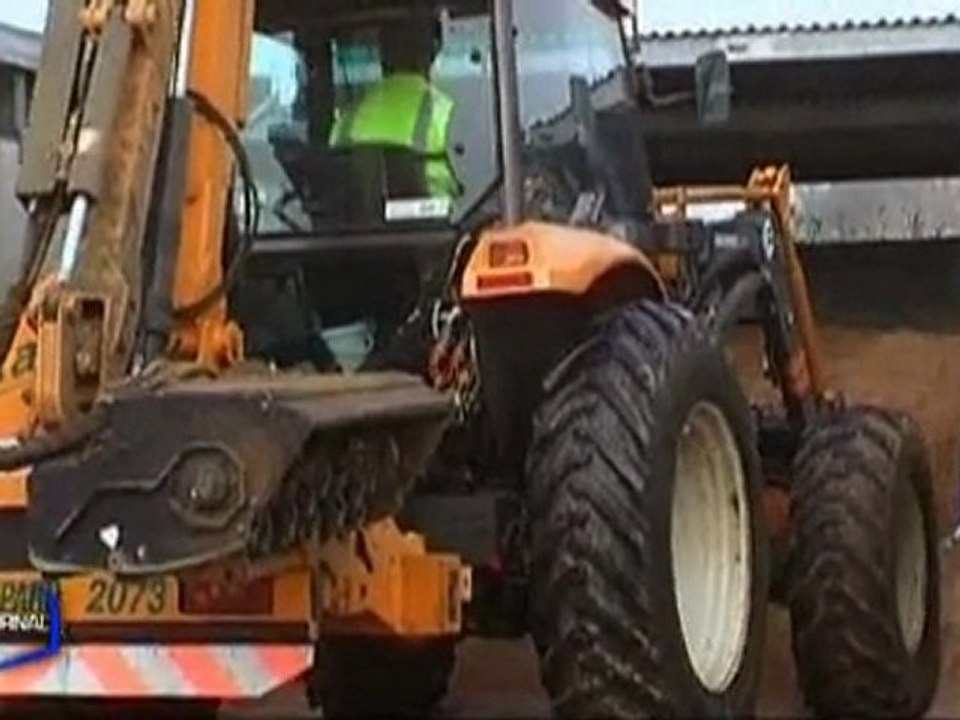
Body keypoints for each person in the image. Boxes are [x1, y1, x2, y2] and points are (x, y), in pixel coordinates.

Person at [329, 16, 459, 199]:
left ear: (382, 52)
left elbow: (336, 189)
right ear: (433, 51)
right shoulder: (447, 113)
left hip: (358, 217)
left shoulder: (346, 120)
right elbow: (462, 186)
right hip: (445, 217)